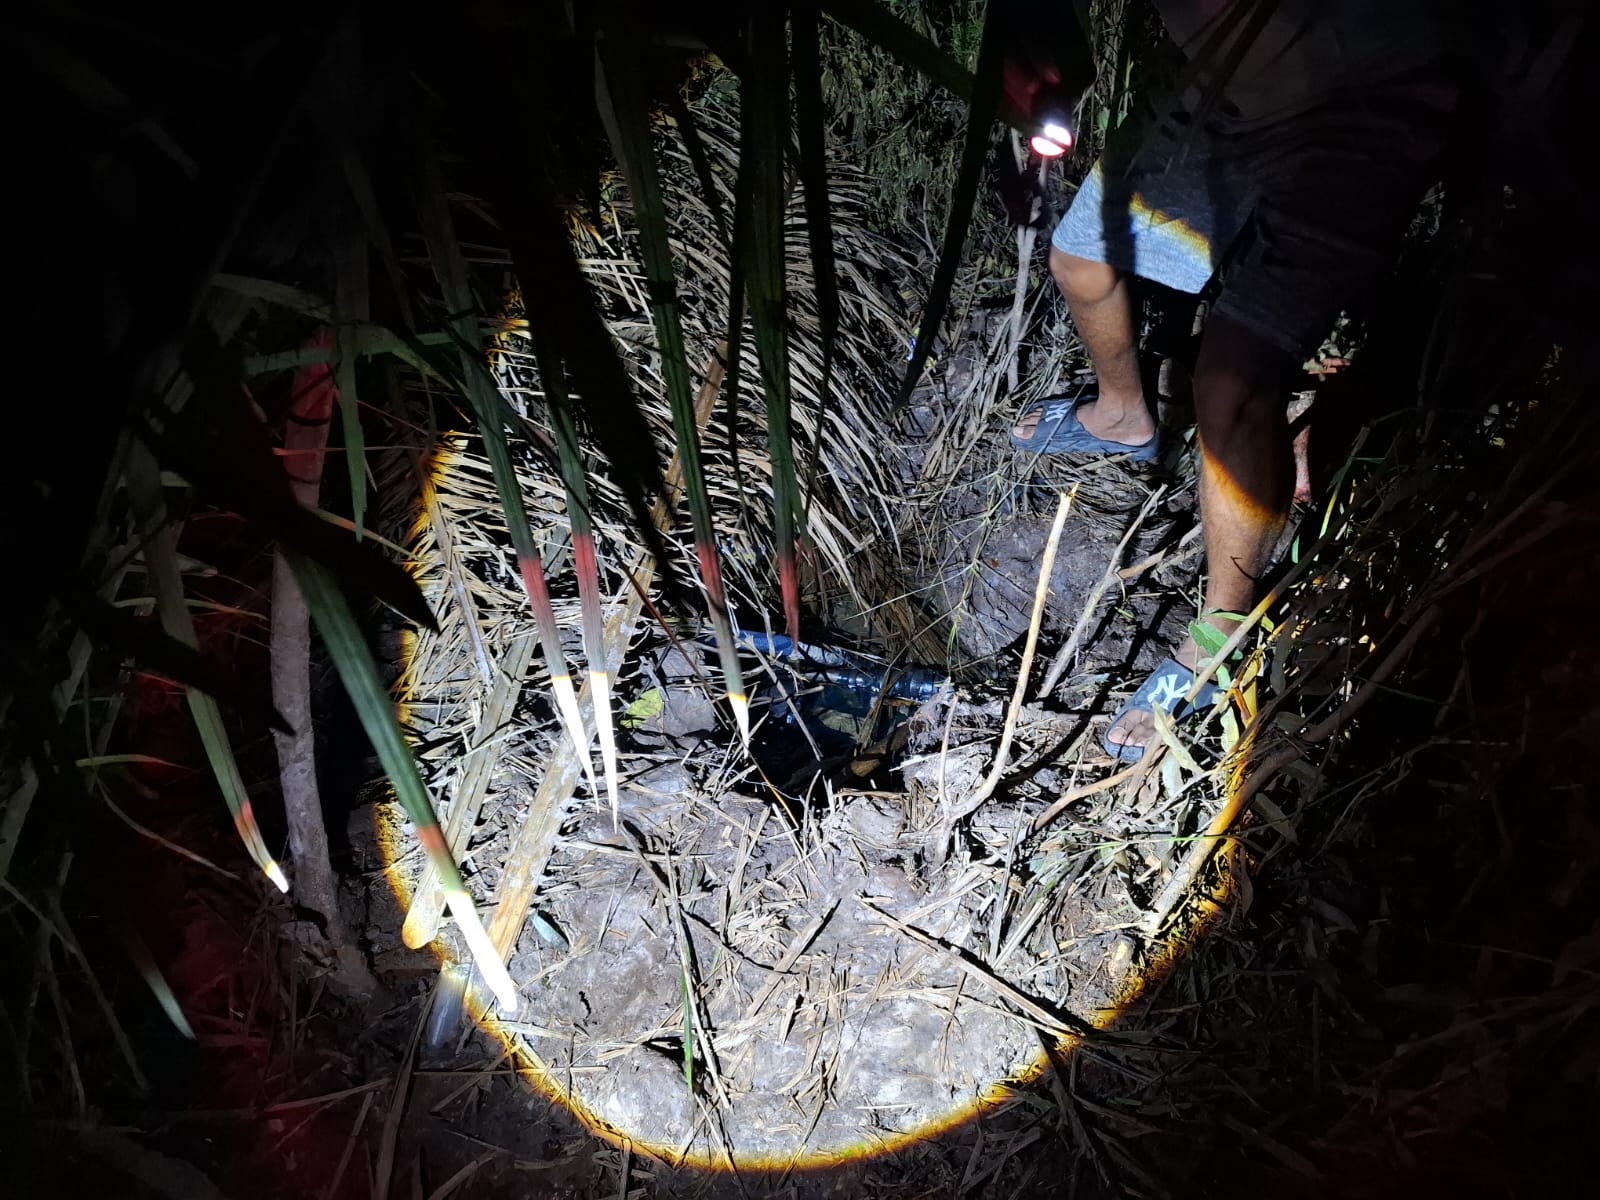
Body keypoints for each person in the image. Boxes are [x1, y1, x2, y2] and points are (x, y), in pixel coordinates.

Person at [1004, 0, 1459, 761]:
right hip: (1225, 92)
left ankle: (1221, 629)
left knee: (1230, 384)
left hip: (1363, 110)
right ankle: (1125, 416)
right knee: (1080, 259)